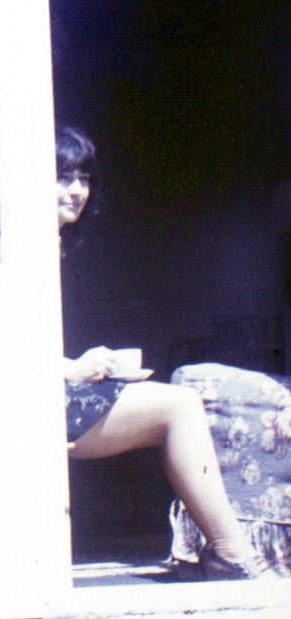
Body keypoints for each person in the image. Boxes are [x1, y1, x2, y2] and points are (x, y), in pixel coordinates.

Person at [56, 126, 275, 581]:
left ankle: (227, 552)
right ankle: (231, 554)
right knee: (180, 405)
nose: (77, 190)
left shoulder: (56, 244)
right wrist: (71, 368)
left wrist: (86, 366)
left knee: (179, 399)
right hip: (27, 403)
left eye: (83, 178)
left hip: (51, 389)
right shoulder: (17, 248)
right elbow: (5, 347)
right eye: (63, 177)